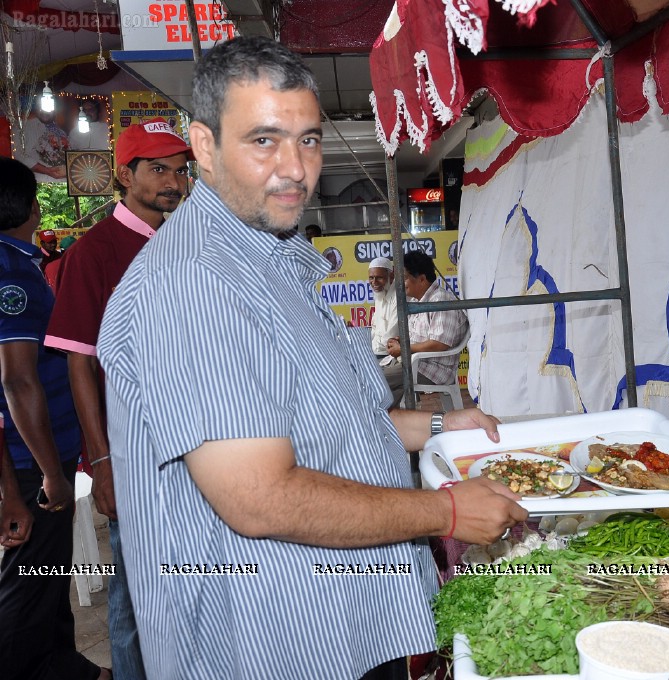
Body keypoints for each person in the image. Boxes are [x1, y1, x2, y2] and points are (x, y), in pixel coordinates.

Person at [95, 36, 526, 680]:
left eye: (309, 139)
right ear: (205, 146)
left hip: (342, 615)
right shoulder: (192, 283)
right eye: (264, 140)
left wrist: (440, 424)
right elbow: (259, 497)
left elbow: (333, 419)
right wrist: (449, 512)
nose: (295, 167)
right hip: (268, 639)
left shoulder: (276, 259)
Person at [44, 117, 191, 680]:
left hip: (193, 440)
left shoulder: (184, 242)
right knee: (135, 596)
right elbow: (79, 361)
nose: (172, 182)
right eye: (157, 170)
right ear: (124, 175)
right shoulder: (95, 252)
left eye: (179, 171)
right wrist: (101, 461)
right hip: (132, 454)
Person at [0, 157, 108, 680]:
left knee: (47, 579)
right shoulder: (12, 271)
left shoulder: (19, 261)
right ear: (30, 206)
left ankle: (63, 667)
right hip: (30, 459)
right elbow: (18, 381)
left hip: (34, 453)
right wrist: (48, 472)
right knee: (28, 584)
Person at [382, 249, 468, 407]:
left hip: (432, 369)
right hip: (416, 363)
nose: (401, 284)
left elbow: (439, 344)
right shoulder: (420, 302)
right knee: (383, 393)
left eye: (405, 278)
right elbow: (420, 337)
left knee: (375, 378)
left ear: (421, 279)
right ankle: (390, 425)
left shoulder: (441, 300)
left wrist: (403, 349)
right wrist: (400, 341)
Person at [21, 103, 70, 182]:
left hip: (63, 182)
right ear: (37, 109)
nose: (45, 112)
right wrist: (46, 171)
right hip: (41, 182)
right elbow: (20, 155)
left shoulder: (61, 131)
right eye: (42, 108)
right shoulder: (27, 127)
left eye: (49, 108)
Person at [368, 256, 398, 361]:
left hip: (390, 356)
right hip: (376, 352)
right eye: (371, 278)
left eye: (379, 277)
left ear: (391, 276)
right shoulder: (380, 294)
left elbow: (390, 338)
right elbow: (375, 328)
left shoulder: (398, 297)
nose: (374, 282)